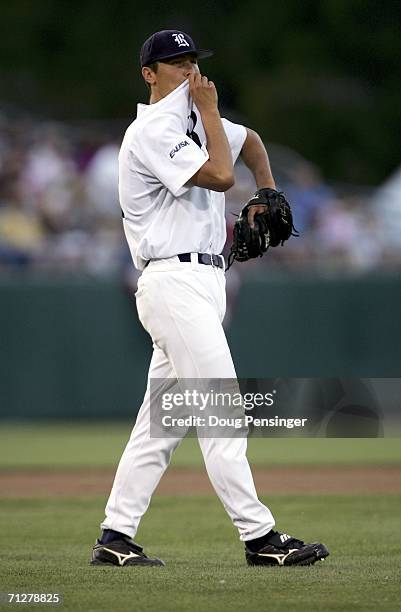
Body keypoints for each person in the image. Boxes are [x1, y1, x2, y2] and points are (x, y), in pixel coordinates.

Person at [91, 29, 329, 568]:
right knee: (222, 411)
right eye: (175, 64)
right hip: (172, 282)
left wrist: (268, 188)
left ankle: (115, 536)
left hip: (202, 282)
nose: (188, 71)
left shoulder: (197, 122)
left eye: (192, 61)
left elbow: (251, 144)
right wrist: (211, 109)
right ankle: (260, 539)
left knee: (160, 425)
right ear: (149, 74)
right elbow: (222, 174)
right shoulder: (152, 130)